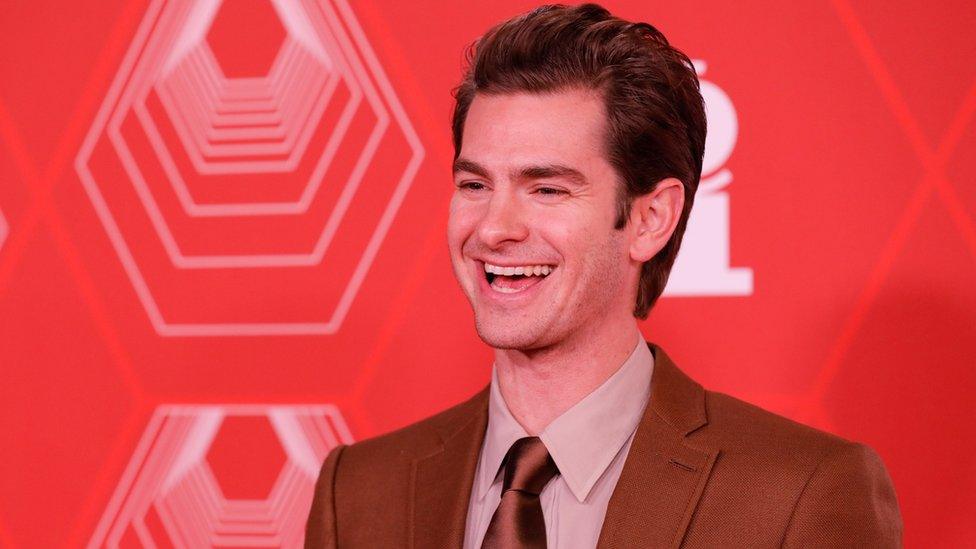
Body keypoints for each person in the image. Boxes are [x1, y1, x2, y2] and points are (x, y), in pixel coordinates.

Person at [304, 3, 902, 547]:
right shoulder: (356, 493)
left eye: (546, 189)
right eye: (475, 184)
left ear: (649, 219)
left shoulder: (798, 495)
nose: (493, 228)